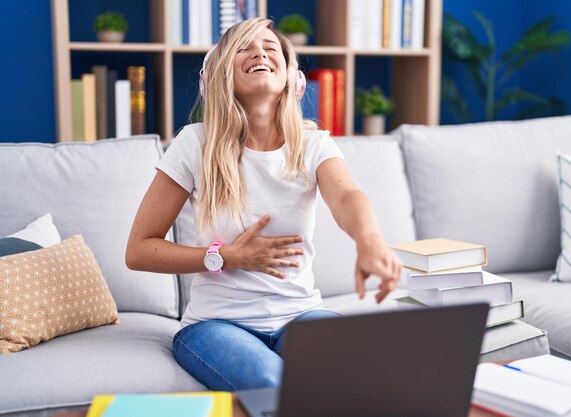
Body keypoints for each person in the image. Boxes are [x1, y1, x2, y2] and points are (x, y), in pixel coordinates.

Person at [125, 17, 401, 392]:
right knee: (271, 381)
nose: (260, 52)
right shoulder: (194, 143)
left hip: (301, 315)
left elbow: (348, 197)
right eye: (245, 47)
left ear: (292, 77)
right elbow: (139, 249)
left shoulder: (313, 144)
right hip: (216, 325)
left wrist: (370, 241)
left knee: (365, 368)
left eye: (271, 48)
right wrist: (225, 257)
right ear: (220, 75)